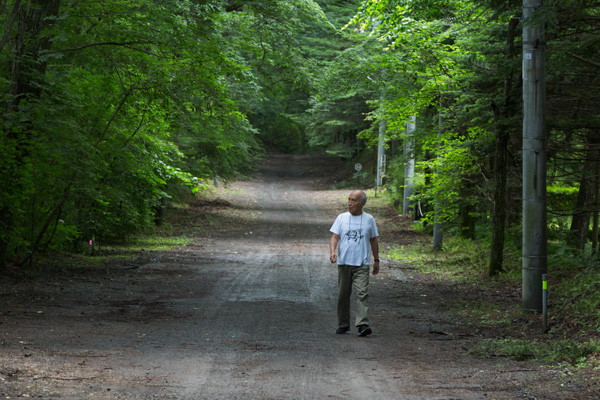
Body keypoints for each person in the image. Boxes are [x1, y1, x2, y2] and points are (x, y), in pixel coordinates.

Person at [329, 190, 380, 337]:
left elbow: (373, 240)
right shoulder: (342, 218)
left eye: (354, 200)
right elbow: (334, 237)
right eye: (349, 200)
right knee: (343, 295)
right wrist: (332, 251)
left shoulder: (369, 219)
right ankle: (343, 324)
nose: (350, 203)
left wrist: (376, 260)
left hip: (362, 263)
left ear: (362, 203)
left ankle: (362, 325)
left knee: (362, 293)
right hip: (344, 262)